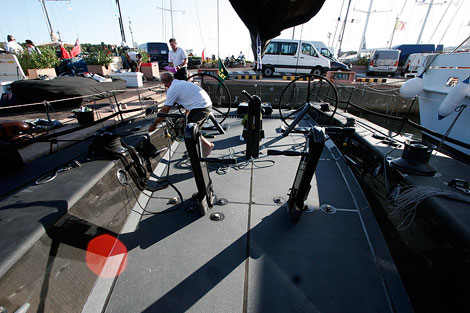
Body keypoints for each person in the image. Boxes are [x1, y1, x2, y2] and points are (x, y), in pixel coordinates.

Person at [149, 72, 214, 157]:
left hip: (201, 107)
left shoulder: (172, 89)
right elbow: (189, 100)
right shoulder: (180, 83)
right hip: (203, 105)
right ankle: (200, 148)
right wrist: (186, 115)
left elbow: (165, 110)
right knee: (191, 129)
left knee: (189, 130)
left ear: (164, 84)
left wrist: (154, 124)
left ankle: (203, 148)